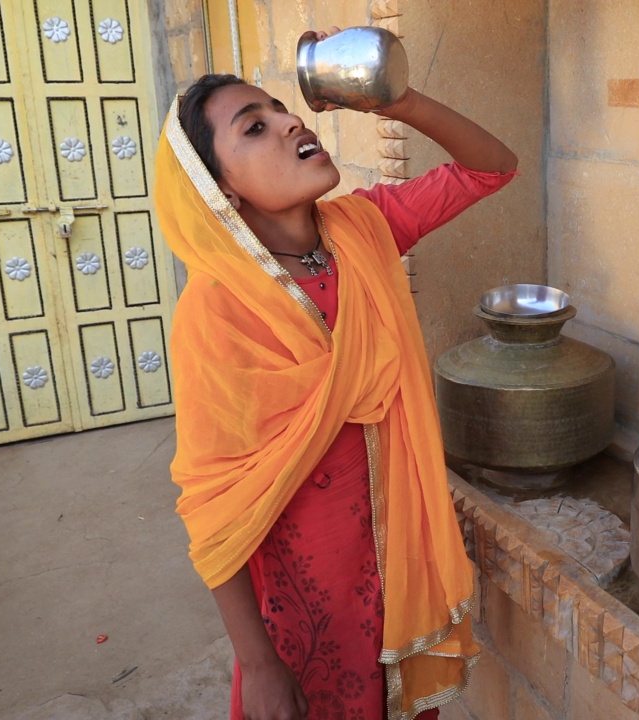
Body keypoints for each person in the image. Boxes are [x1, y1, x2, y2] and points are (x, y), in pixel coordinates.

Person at [153, 24, 517, 720]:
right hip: (303, 593)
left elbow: (491, 167)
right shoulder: (218, 310)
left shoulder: (368, 229)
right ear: (219, 188)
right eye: (254, 127)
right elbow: (214, 503)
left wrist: (398, 101)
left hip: (397, 575)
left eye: (282, 109)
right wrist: (257, 662)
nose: (290, 121)